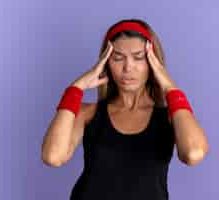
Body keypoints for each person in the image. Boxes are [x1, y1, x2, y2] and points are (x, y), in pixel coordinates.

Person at [41, 18, 209, 200]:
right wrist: (76, 88)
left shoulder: (170, 117)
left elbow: (193, 154)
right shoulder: (87, 113)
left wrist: (169, 87)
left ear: (153, 63)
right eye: (118, 58)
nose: (128, 67)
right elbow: (53, 157)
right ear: (106, 62)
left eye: (139, 57)